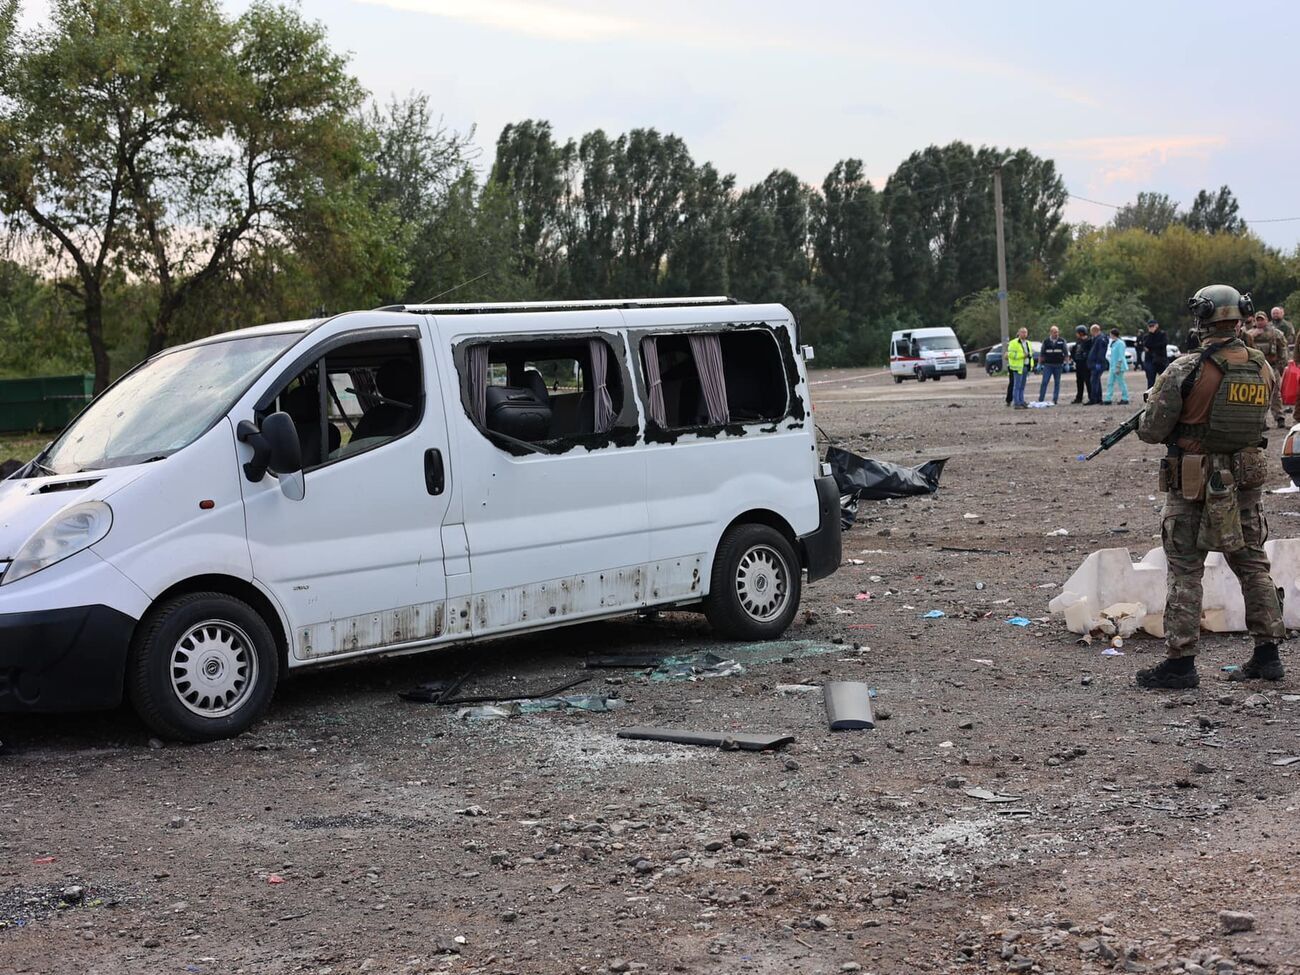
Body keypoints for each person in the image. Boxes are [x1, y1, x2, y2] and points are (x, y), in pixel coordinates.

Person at [1134, 283, 1285, 689]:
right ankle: (1268, 655)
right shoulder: (1261, 366)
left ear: (1201, 319)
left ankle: (1181, 664)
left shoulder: (1185, 369)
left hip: (1194, 482)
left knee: (1185, 570)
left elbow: (1151, 430)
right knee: (1253, 567)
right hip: (1244, 485)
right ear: (1240, 317)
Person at [1248, 310, 1288, 427]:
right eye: (1257, 320)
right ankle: (1262, 421)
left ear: (1266, 320)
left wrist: (1282, 365)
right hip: (1257, 368)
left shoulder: (1275, 333)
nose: (1260, 322)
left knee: (1276, 393)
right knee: (1259, 394)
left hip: (1273, 366)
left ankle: (1279, 417)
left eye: (1262, 319)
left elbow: (1283, 349)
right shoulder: (1249, 334)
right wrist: (1251, 336)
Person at [1037, 325, 1066, 404]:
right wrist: (1039, 364)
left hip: (1058, 365)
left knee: (1057, 383)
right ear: (1051, 333)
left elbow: (1066, 353)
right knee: (1045, 382)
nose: (1056, 334)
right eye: (1054, 332)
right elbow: (1042, 354)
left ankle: (1055, 399)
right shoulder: (1046, 341)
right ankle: (1041, 399)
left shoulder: (1062, 341)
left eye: (1057, 332)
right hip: (1048, 365)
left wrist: (1066, 363)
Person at [1137, 318, 1169, 389]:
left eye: (1152, 326)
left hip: (1161, 360)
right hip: (1150, 360)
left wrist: (1151, 347)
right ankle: (1150, 397)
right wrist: (1151, 335)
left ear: (1156, 326)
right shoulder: (1147, 336)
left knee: (1165, 380)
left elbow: (1163, 344)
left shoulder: (1162, 334)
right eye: (1149, 326)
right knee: (1150, 381)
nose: (1151, 328)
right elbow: (1145, 345)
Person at [1006, 327, 1034, 409]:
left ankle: (1022, 401)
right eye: (1022, 332)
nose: (1024, 334)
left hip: (1026, 366)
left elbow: (1030, 355)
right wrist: (1022, 356)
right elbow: (1010, 354)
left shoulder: (1028, 343)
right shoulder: (1013, 343)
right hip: (1017, 367)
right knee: (1017, 386)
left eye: (1025, 332)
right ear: (1019, 333)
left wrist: (1031, 365)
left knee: (1022, 386)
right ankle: (1016, 402)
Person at [1104, 328, 1130, 404]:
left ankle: (1125, 398)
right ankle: (1108, 398)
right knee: (1110, 382)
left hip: (1119, 366)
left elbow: (1121, 356)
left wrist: (1118, 366)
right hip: (1112, 366)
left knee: (1121, 382)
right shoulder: (1114, 343)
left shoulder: (1120, 343)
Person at [1086, 323, 1108, 404]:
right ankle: (1098, 398)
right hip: (1095, 363)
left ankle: (1094, 399)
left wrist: (1098, 362)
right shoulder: (1096, 339)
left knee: (1094, 381)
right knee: (1096, 381)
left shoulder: (1100, 339)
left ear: (1094, 331)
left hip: (1097, 363)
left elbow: (1101, 352)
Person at [1070, 325, 1092, 404]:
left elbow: (1089, 352)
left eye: (1077, 333)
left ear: (1081, 333)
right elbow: (1075, 351)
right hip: (1078, 364)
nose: (1076, 334)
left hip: (1085, 364)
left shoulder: (1088, 341)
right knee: (1079, 382)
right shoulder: (1078, 342)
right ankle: (1079, 397)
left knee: (1088, 381)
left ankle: (1091, 397)